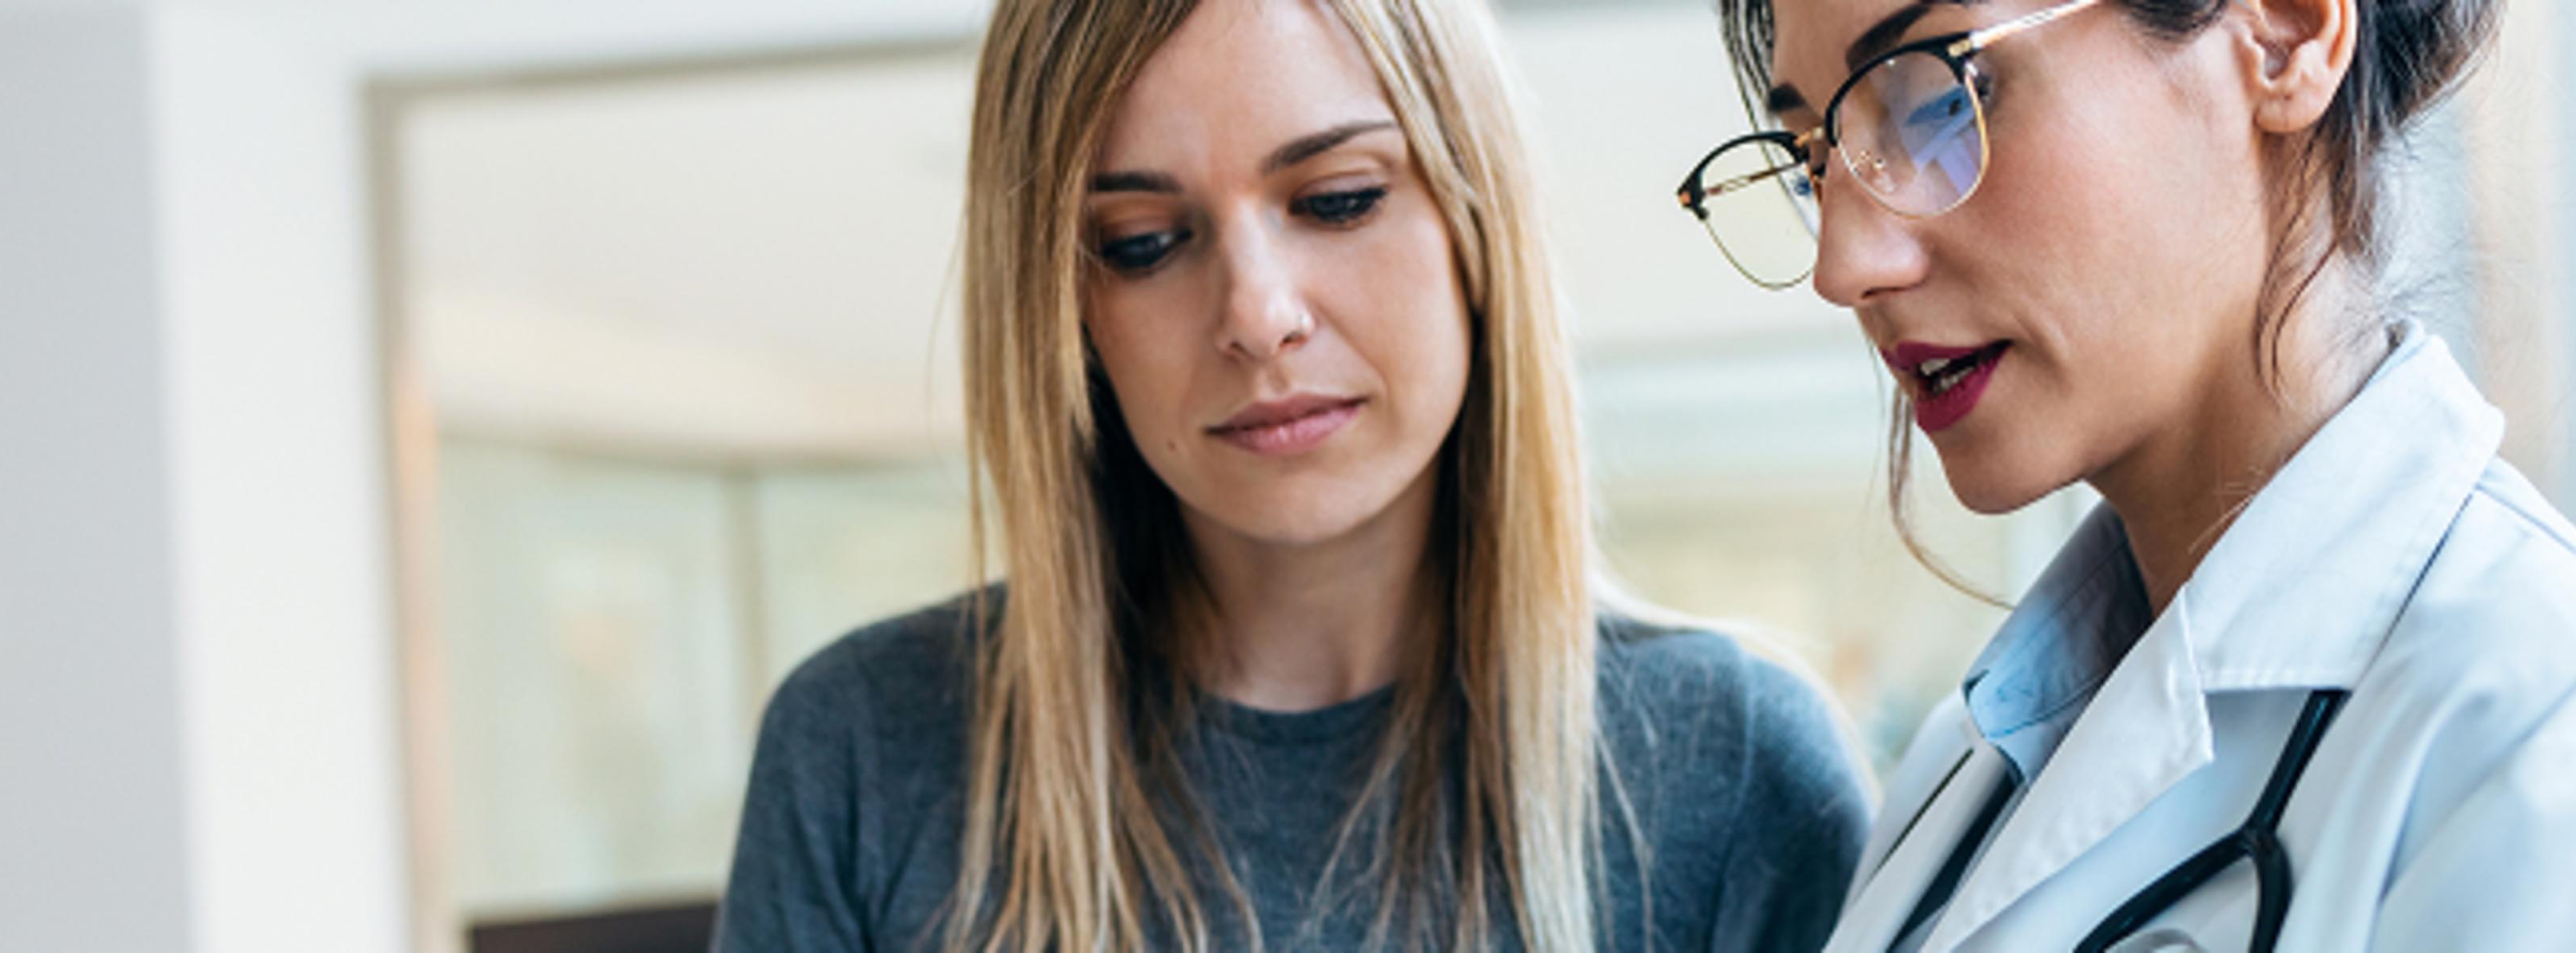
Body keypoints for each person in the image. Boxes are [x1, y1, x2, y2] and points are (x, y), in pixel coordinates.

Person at [1672, 0, 2576, 948]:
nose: (1845, 259)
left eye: (1941, 96)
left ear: (2286, 31)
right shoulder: (1962, 770)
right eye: (1812, 152)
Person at [714, 0, 1872, 949]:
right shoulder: (866, 751)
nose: (1258, 317)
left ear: (1478, 222)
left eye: (1337, 200)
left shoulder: (1736, 769)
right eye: (1142, 243)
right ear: (1066, 310)